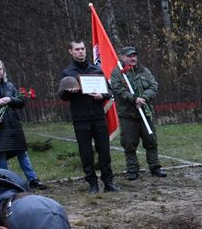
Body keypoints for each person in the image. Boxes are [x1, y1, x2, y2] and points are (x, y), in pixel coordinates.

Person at [0, 59, 46, 189]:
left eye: (0, 69)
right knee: (1, 154)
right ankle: (6, 181)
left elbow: (21, 102)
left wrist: (10, 99)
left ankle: (33, 179)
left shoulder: (9, 85)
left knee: (22, 152)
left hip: (13, 124)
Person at [59, 40, 117, 192]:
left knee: (104, 151)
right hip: (81, 118)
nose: (81, 52)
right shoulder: (68, 73)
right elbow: (62, 96)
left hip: (98, 117)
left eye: (83, 49)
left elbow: (109, 92)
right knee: (86, 153)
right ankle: (92, 183)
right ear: (70, 51)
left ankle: (108, 182)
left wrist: (101, 95)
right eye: (77, 49)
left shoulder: (96, 70)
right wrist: (69, 92)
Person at [109, 47, 164, 181]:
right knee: (129, 143)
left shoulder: (144, 71)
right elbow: (118, 89)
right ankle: (132, 169)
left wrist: (143, 98)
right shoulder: (117, 73)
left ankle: (155, 166)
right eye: (129, 56)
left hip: (145, 112)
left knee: (151, 140)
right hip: (128, 114)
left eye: (134, 56)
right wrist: (134, 99)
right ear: (122, 57)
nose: (133, 58)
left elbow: (153, 86)